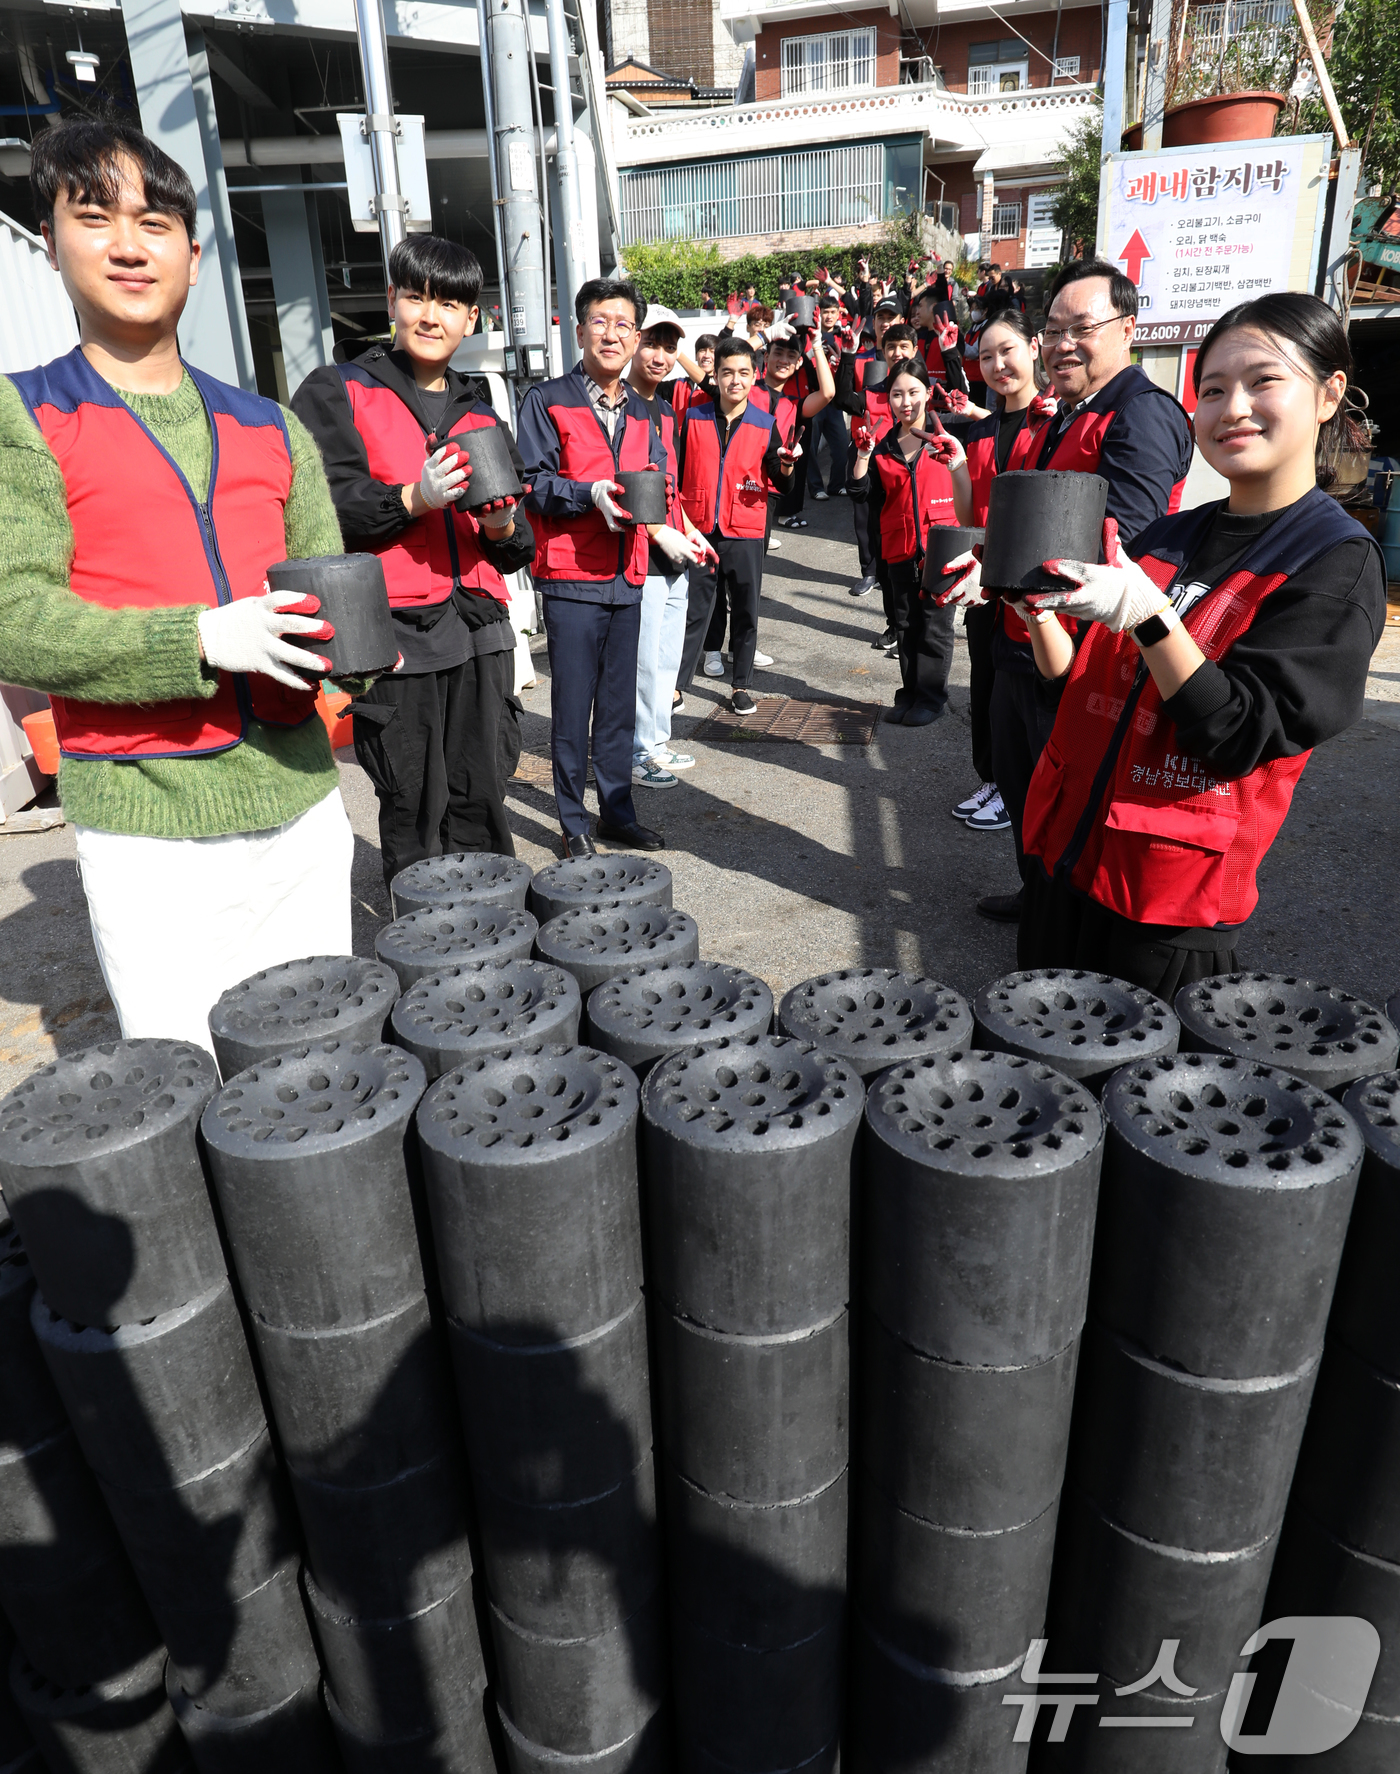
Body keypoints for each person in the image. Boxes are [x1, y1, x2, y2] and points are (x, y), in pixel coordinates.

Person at [0, 119, 353, 1050]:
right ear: (51, 244)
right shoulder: (26, 415)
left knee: (330, 1073)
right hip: (147, 828)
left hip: (303, 810)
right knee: (189, 1081)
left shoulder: (269, 425)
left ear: (192, 258)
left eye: (154, 223)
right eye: (95, 216)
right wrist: (196, 639)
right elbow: (15, 620)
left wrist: (348, 668)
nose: (127, 244)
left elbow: (326, 590)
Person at [1013, 292, 1383, 995]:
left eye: (1263, 381)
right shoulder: (1170, 534)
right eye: (1212, 390)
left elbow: (1238, 732)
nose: (1232, 407)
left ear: (1330, 394)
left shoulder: (1335, 560)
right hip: (1064, 870)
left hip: (1164, 916)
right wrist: (1029, 603)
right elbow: (1072, 680)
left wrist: (1153, 620)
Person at [940, 259, 1194, 923]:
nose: (1061, 344)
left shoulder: (1142, 414)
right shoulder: (1062, 414)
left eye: (1082, 327)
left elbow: (1130, 540)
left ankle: (1070, 924)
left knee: (1077, 794)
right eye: (1052, 330)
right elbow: (1034, 522)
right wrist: (993, 569)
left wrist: (1023, 576)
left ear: (1127, 328)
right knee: (1027, 786)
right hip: (1023, 635)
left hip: (1086, 658)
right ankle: (1040, 897)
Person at [293, 234, 534, 892]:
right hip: (396, 637)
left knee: (483, 798)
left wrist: (502, 524)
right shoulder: (336, 391)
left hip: (481, 630)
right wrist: (412, 498)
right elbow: (322, 513)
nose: (432, 316)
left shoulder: (480, 408)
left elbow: (519, 548)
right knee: (413, 808)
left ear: (471, 320)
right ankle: (429, 965)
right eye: (418, 297)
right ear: (391, 301)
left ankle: (499, 952)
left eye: (451, 303)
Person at [517, 277, 669, 857]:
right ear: (579, 331)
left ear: (635, 338)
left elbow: (654, 481)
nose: (612, 334)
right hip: (570, 577)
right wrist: (589, 496)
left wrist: (670, 532)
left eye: (623, 324)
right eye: (600, 322)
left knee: (617, 704)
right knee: (572, 705)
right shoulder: (547, 399)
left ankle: (617, 811)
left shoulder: (643, 409)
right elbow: (531, 483)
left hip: (627, 575)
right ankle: (572, 820)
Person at [940, 307, 1056, 835]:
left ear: (1035, 347)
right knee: (988, 690)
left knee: (1031, 696)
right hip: (989, 586)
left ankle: (1022, 792)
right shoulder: (984, 431)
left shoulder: (1055, 420)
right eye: (986, 356)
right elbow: (970, 517)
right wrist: (959, 463)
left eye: (1006, 350)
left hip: (1036, 588)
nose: (997, 364)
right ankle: (996, 779)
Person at [676, 336, 799, 716]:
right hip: (700, 531)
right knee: (694, 611)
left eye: (744, 373)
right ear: (715, 374)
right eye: (727, 372)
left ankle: (740, 686)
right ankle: (677, 686)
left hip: (746, 531)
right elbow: (677, 474)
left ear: (754, 375)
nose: (735, 380)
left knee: (746, 610)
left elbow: (783, 481)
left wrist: (788, 463)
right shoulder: (693, 418)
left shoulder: (766, 424)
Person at [848, 359, 972, 726]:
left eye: (914, 392)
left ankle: (931, 698)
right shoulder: (882, 444)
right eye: (897, 394)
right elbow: (859, 492)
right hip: (898, 546)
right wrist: (863, 454)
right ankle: (910, 692)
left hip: (942, 545)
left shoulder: (947, 433)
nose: (906, 402)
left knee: (935, 625)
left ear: (928, 393)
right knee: (904, 623)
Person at [624, 303, 716, 790]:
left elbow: (667, 485)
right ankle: (638, 751)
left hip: (674, 552)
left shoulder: (664, 407)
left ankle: (655, 743)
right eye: (653, 343)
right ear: (634, 342)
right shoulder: (620, 404)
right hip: (642, 553)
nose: (660, 355)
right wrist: (663, 530)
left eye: (670, 346)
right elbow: (627, 486)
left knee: (664, 658)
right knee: (641, 661)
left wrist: (689, 528)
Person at [836, 322, 923, 623]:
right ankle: (891, 620)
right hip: (874, 475)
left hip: (913, 476)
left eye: (903, 346)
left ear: (915, 350)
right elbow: (842, 398)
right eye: (890, 347)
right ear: (883, 352)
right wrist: (848, 355)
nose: (897, 352)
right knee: (877, 544)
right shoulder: (873, 392)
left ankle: (916, 623)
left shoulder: (926, 390)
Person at [806, 292, 852, 502]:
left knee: (842, 445)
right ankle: (815, 487)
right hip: (814, 398)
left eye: (833, 312)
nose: (829, 316)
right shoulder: (809, 335)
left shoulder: (844, 337)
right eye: (826, 312)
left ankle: (836, 485)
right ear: (819, 314)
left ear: (838, 314)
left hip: (835, 403)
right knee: (810, 447)